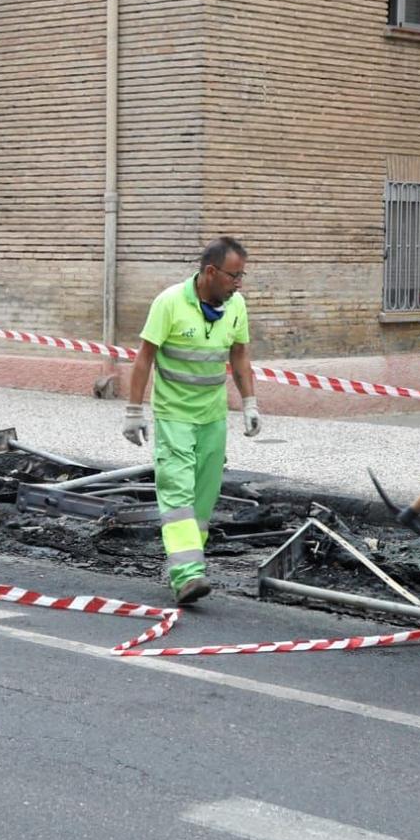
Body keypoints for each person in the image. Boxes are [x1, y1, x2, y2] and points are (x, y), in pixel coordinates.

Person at [123, 237, 261, 606]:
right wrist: (134, 412)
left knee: (202, 500)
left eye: (242, 276)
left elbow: (241, 354)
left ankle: (182, 565)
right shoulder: (169, 303)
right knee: (178, 492)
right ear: (210, 272)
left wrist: (249, 403)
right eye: (234, 275)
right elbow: (144, 358)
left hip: (212, 417)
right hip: (174, 416)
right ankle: (187, 574)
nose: (239, 283)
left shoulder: (236, 306)